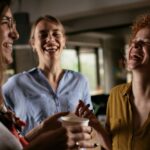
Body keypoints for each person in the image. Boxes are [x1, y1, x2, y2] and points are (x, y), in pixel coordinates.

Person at [0, 0, 96, 149]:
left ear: (64, 41)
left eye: (56, 34)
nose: (50, 39)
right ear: (33, 43)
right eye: (43, 35)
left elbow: (90, 126)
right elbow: (9, 139)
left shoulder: (80, 81)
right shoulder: (14, 84)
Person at [76, 14, 150, 150]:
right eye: (134, 40)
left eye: (146, 42)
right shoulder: (116, 95)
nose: (135, 44)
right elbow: (111, 147)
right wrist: (96, 125)